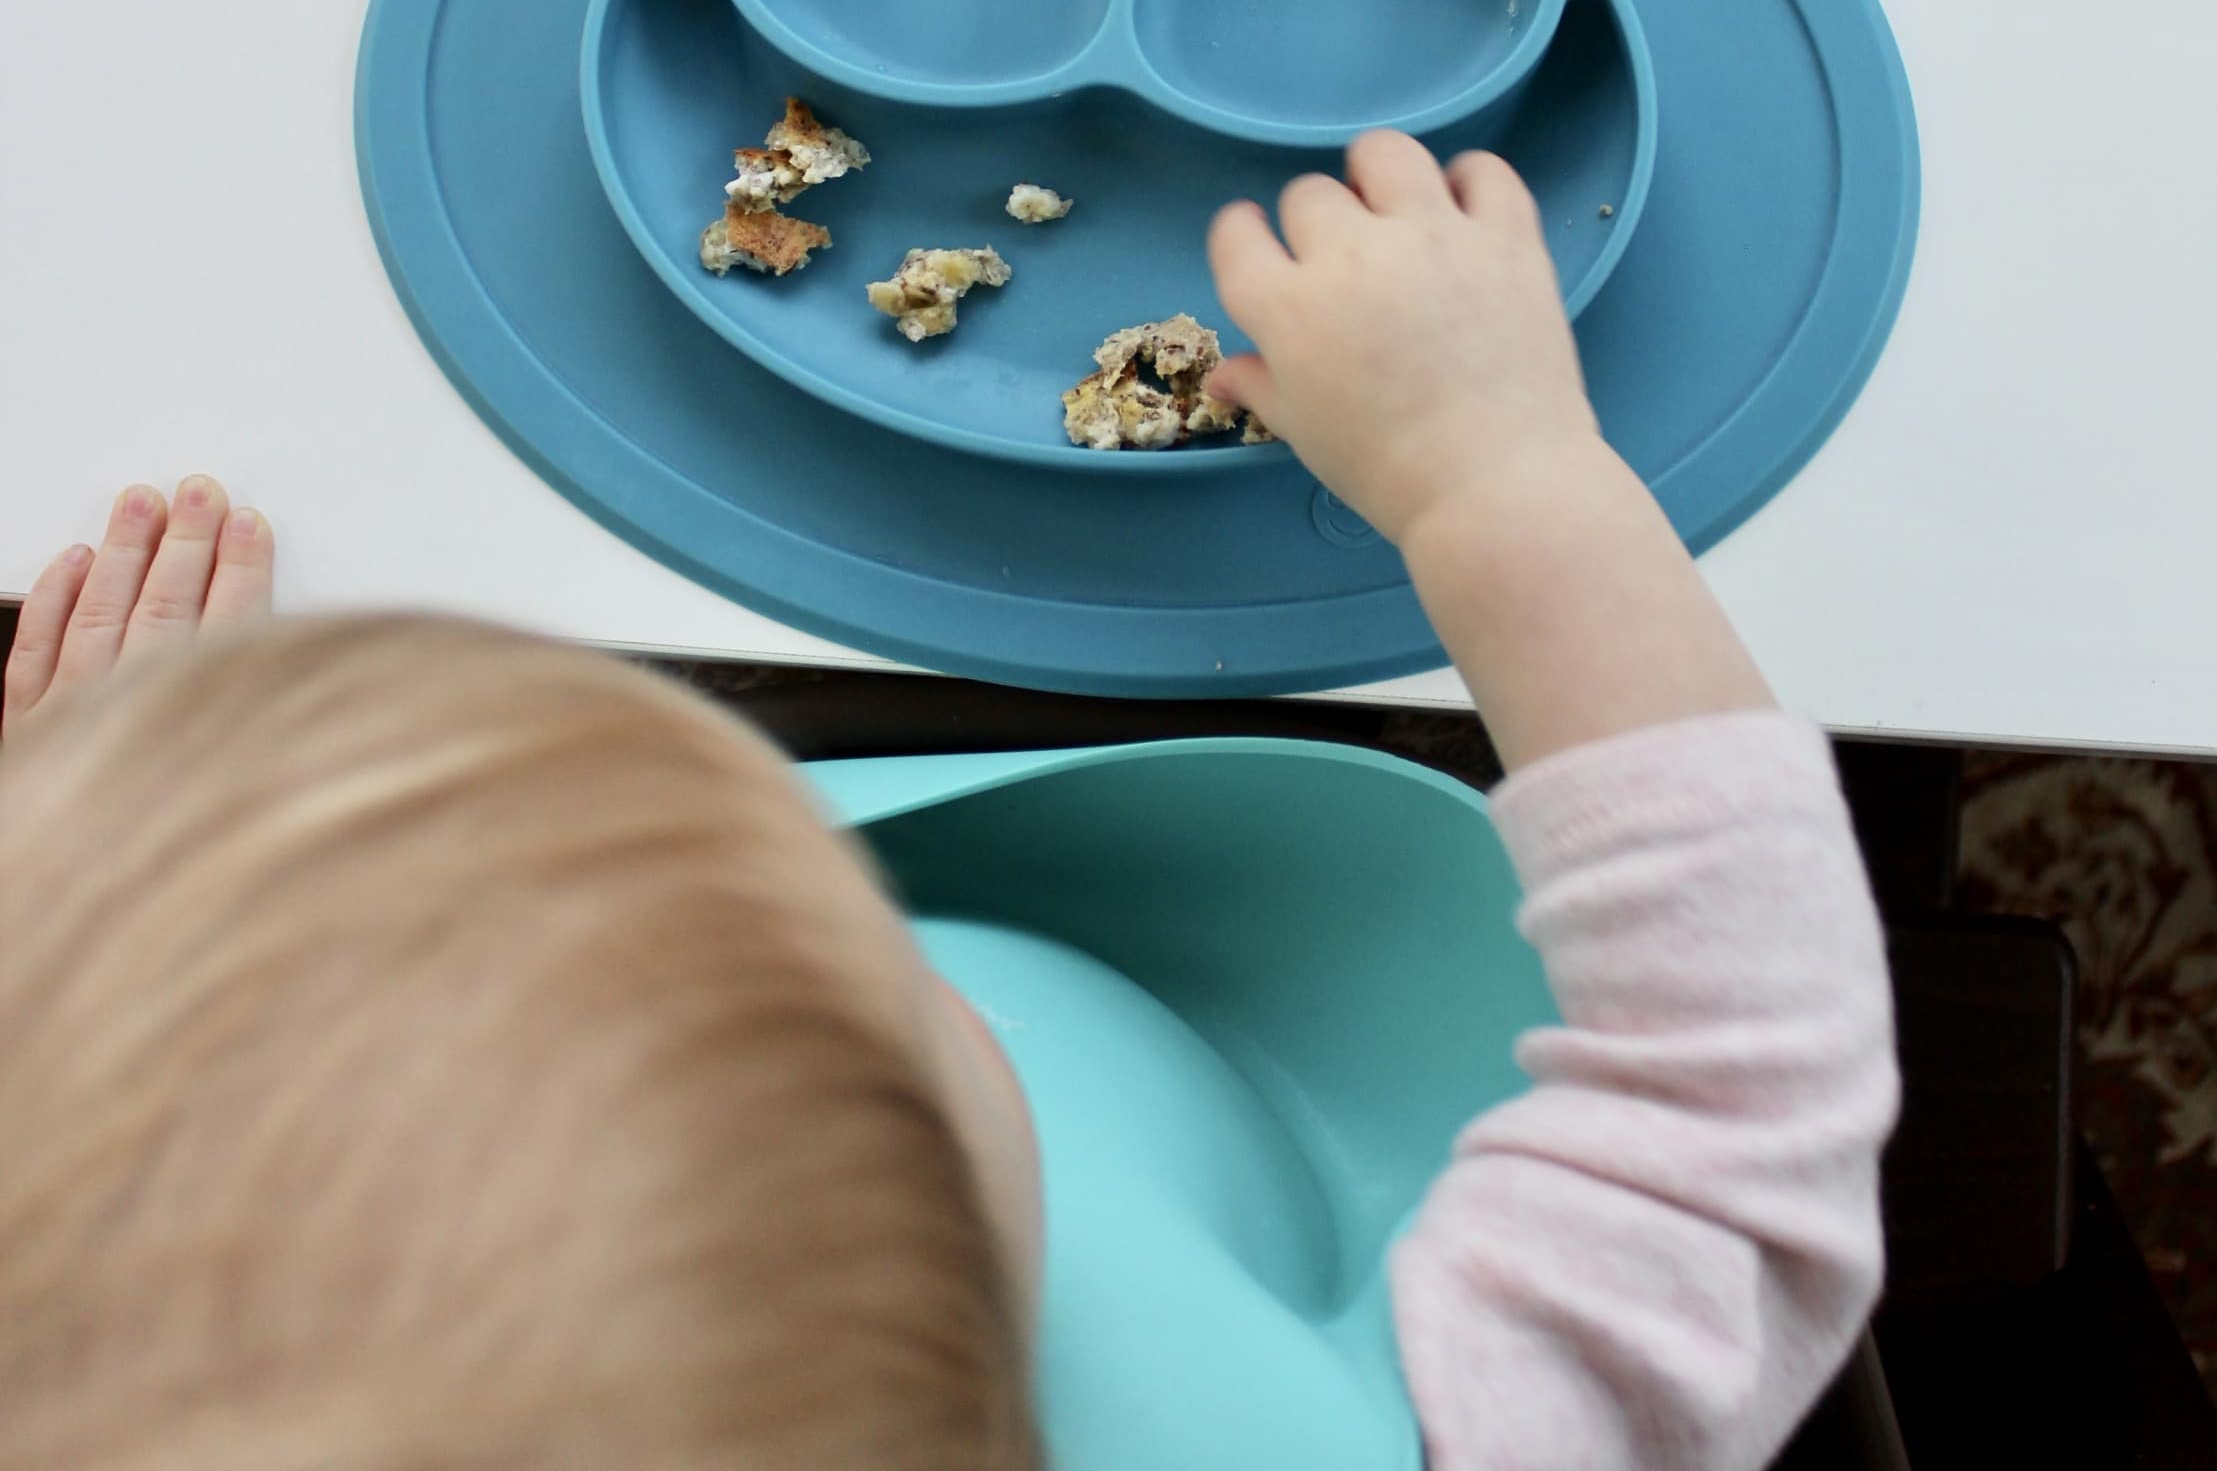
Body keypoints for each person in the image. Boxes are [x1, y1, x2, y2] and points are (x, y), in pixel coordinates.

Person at [0, 138, 1895, 1471]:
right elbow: (1742, 1106)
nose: (935, 995)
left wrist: (102, 889)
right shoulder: (1410, 1440)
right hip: (1324, 1070)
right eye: (908, 1030)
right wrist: (1502, 477)